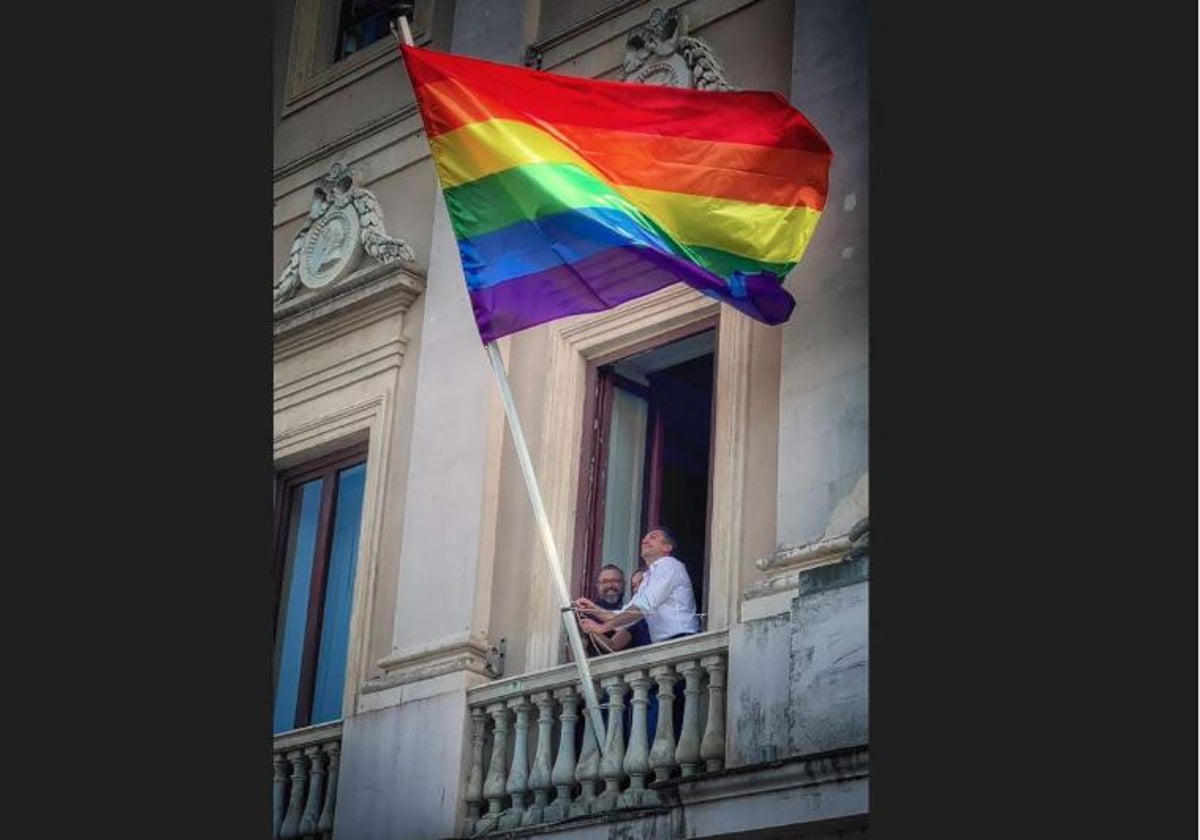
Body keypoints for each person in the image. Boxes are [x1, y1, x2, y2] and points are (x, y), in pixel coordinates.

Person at [574, 527, 699, 643]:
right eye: (644, 539)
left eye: (653, 537)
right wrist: (592, 608)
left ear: (667, 547)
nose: (645, 541)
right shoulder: (648, 578)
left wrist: (602, 628)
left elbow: (642, 607)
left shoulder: (669, 565)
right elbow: (624, 618)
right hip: (668, 643)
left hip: (681, 639)